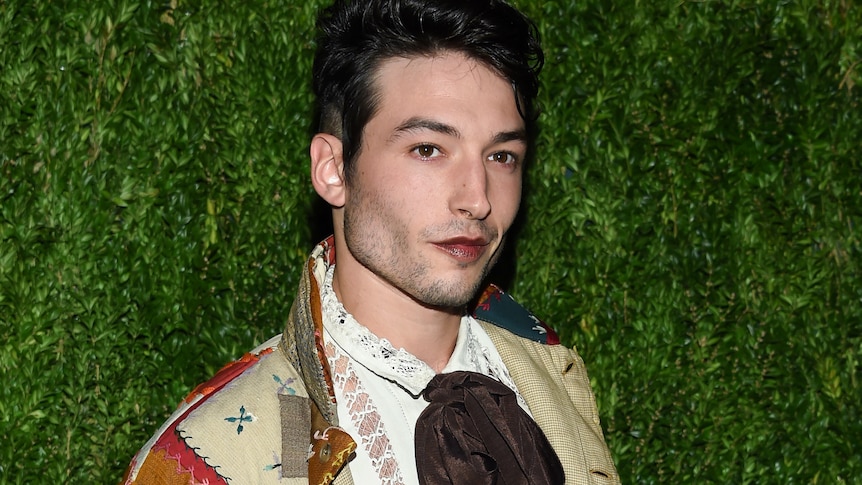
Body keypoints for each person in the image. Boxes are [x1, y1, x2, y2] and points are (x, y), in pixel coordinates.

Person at [123, 0, 619, 483]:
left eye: (501, 156)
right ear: (333, 170)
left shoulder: (553, 375)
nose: (478, 199)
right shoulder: (216, 459)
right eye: (428, 149)